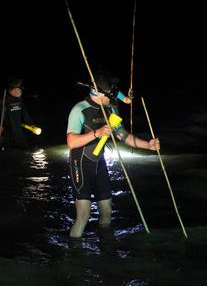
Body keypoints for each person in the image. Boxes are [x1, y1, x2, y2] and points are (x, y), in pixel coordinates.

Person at [66, 70, 160, 238]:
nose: (114, 98)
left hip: (99, 164)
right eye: (112, 94)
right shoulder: (79, 109)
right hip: (80, 165)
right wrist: (97, 133)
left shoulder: (110, 109)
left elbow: (123, 136)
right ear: (99, 92)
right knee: (84, 216)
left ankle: (105, 251)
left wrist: (148, 145)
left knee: (107, 215)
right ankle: (73, 254)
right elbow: (71, 142)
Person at [0, 77, 36, 151]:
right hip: (7, 134)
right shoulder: (2, 100)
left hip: (19, 133)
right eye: (20, 88)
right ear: (13, 89)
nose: (21, 90)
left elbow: (25, 114)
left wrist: (32, 124)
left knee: (27, 152)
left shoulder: (19, 99)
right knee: (7, 155)